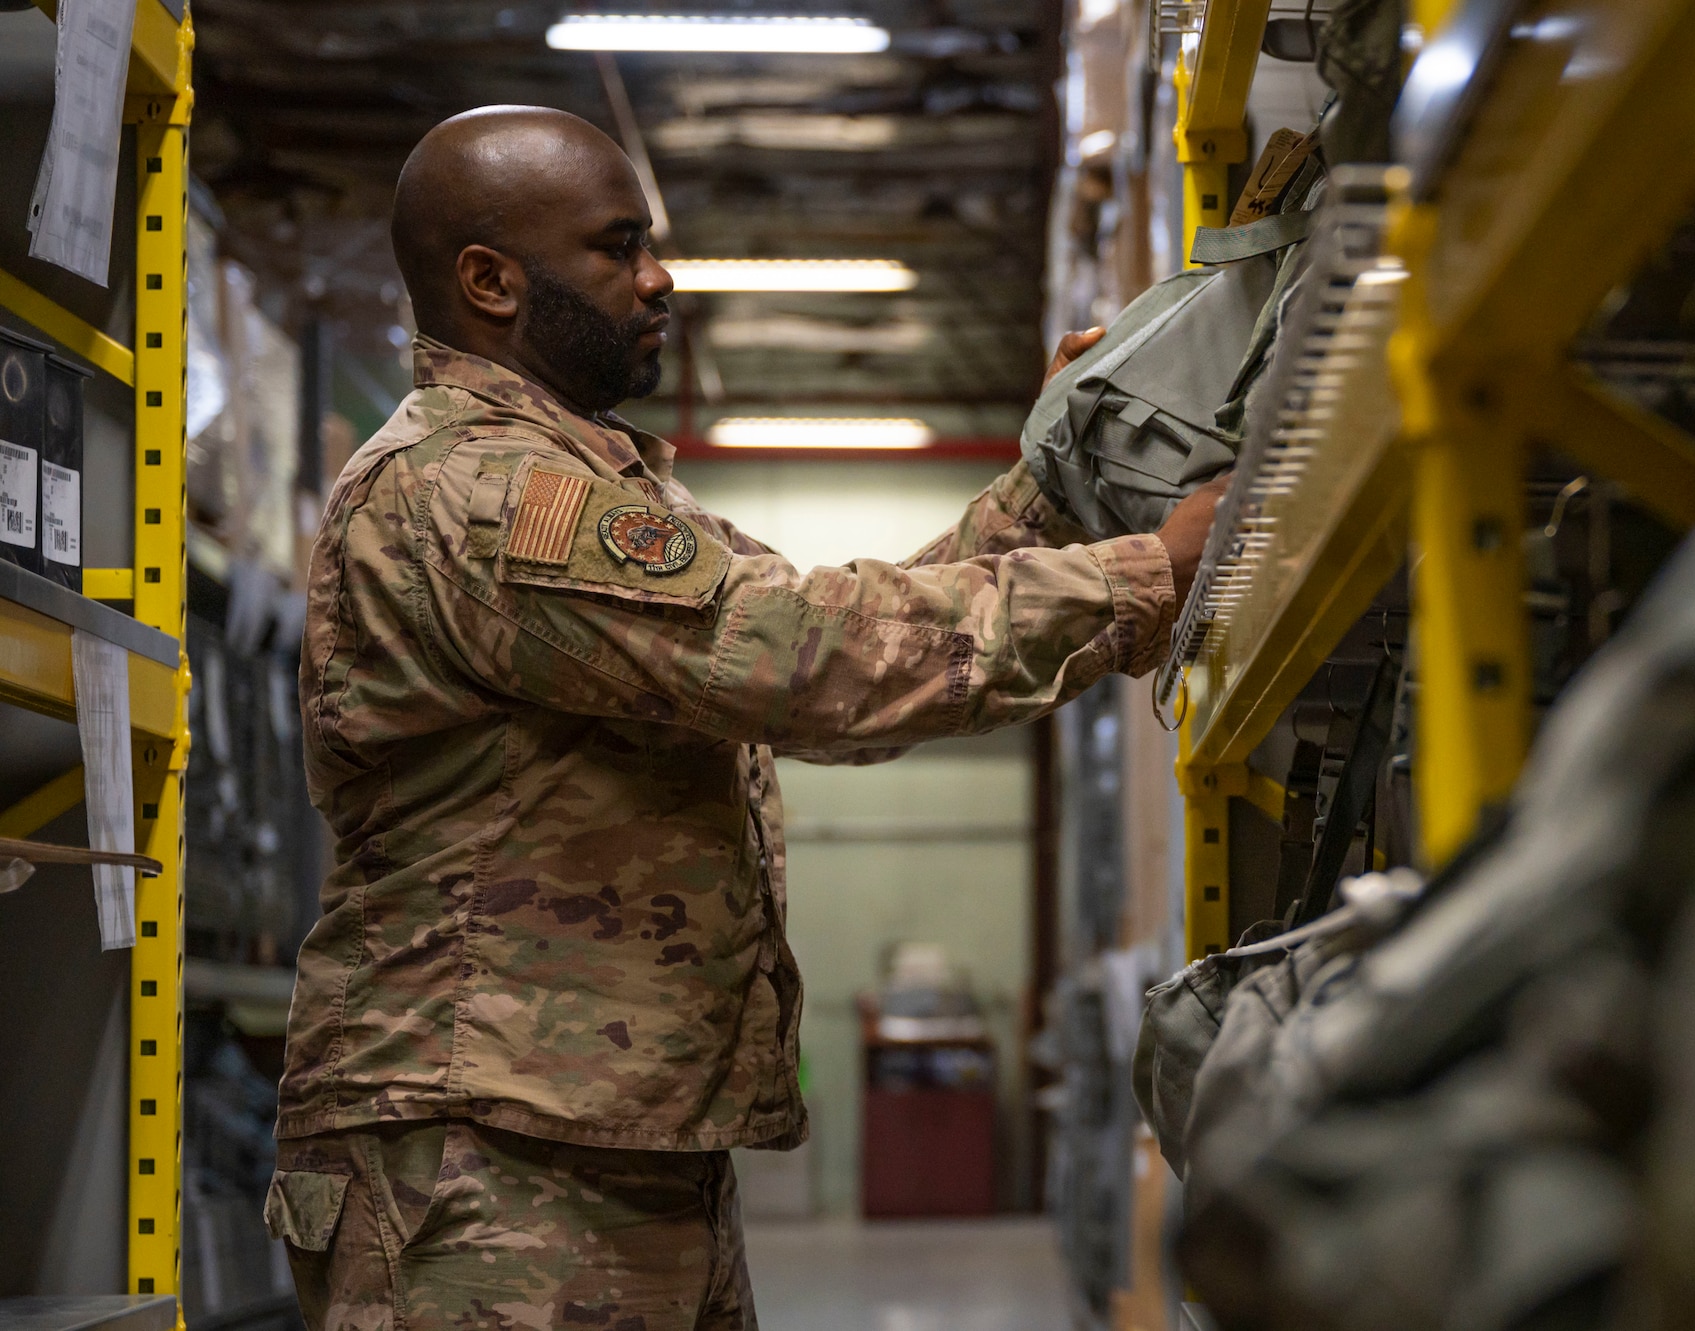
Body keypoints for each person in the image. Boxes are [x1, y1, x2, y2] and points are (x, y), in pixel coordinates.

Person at [261, 105, 1224, 1331]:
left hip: (583, 1132)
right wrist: (1150, 570)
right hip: (482, 1163)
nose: (658, 278)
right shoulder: (477, 493)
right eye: (618, 247)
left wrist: (1041, 489)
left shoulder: (578, 478)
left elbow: (823, 629)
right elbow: (815, 664)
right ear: (490, 282)